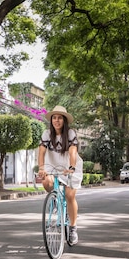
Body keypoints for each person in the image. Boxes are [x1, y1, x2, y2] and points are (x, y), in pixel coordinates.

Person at [37, 105, 83, 245]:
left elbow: (72, 152)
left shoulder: (70, 134)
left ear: (64, 120)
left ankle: (73, 228)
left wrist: (71, 167)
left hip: (70, 167)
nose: (56, 121)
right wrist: (41, 168)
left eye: (59, 118)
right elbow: (42, 152)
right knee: (46, 182)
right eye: (54, 118)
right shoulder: (46, 134)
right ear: (51, 120)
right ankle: (55, 200)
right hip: (52, 165)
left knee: (70, 196)